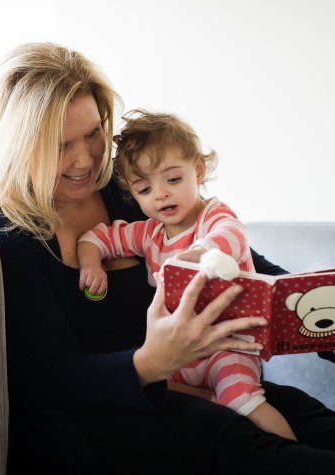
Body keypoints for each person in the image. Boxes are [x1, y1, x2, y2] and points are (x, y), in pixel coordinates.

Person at [0, 41, 335, 473]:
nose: (86, 160)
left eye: (93, 135)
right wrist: (151, 363)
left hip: (218, 386)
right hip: (124, 424)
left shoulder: (128, 193)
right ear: (17, 147)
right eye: (61, 147)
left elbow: (247, 269)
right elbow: (51, 375)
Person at [76, 109, 295, 440]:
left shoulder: (212, 215)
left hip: (228, 344)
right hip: (182, 351)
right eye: (144, 190)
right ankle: (220, 415)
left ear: (198, 169)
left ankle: (290, 455)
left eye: (173, 180)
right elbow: (96, 238)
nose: (160, 194)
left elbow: (232, 236)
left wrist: (201, 252)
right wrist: (91, 263)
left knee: (243, 401)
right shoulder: (150, 233)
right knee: (158, 391)